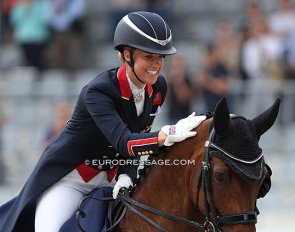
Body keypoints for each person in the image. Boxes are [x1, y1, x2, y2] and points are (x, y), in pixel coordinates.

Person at [0, 11, 206, 232]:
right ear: (127, 54)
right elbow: (125, 142)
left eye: (161, 57)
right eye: (149, 56)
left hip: (112, 179)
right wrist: (167, 134)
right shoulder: (98, 92)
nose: (157, 64)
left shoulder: (158, 87)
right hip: (72, 180)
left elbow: (138, 133)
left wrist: (128, 175)